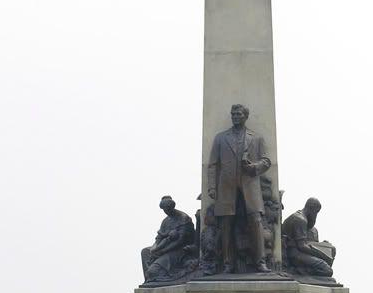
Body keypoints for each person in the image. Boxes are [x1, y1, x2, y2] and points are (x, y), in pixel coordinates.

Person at [207, 104, 271, 273]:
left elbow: (266, 161)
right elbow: (212, 165)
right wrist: (212, 187)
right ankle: (228, 264)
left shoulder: (256, 138)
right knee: (226, 224)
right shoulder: (220, 138)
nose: (235, 116)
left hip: (250, 184)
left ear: (245, 116)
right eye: (233, 114)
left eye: (238, 114)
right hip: (226, 186)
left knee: (256, 221)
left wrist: (253, 167)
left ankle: (260, 261)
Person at [141, 196, 196, 283]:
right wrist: (154, 249)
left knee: (153, 270)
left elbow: (180, 241)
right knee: (145, 252)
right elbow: (159, 238)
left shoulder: (184, 218)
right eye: (164, 210)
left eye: (167, 209)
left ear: (172, 207)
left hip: (179, 250)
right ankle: (149, 278)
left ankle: (157, 275)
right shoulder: (166, 221)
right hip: (165, 247)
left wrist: (162, 251)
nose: (166, 212)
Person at [282, 197, 336, 278]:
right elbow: (302, 246)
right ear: (311, 208)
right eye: (316, 212)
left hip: (297, 252)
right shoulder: (300, 220)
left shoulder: (300, 218)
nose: (316, 215)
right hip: (294, 254)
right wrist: (322, 254)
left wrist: (322, 246)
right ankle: (296, 271)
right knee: (327, 270)